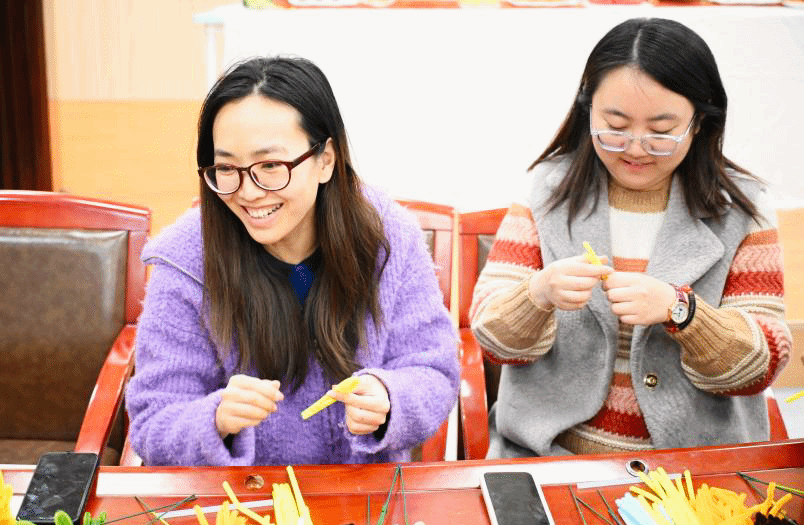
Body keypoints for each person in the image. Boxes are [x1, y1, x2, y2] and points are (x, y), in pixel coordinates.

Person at [470, 18, 791, 458]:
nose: (636, 148)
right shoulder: (547, 194)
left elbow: (761, 365)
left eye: (661, 131)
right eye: (615, 125)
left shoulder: (742, 210)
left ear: (700, 121)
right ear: (588, 110)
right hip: (548, 459)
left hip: (692, 469)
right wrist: (537, 294)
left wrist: (682, 312)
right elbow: (491, 338)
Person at [125, 56, 460, 466]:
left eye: (270, 165)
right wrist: (214, 419)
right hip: (244, 497)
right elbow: (153, 422)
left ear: (325, 160)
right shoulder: (185, 262)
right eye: (227, 167)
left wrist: (391, 398)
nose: (249, 192)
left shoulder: (388, 239)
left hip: (367, 493)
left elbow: (434, 372)